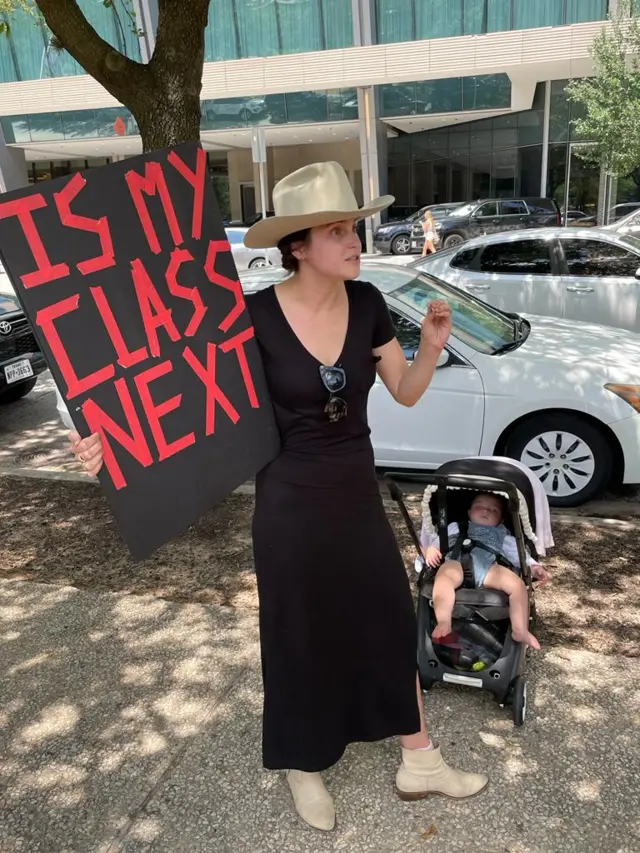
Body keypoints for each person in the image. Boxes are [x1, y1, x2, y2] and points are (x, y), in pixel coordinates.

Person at [67, 161, 489, 832]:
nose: (354, 239)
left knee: (384, 616)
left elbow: (404, 390)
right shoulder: (252, 316)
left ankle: (420, 757)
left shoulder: (370, 304)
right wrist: (112, 442)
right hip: (289, 501)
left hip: (355, 490)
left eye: (354, 225)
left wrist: (432, 349)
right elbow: (187, 401)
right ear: (296, 245)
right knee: (298, 631)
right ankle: (303, 760)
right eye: (336, 229)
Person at [421, 492, 550, 650]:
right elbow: (438, 543)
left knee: (518, 585)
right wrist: (432, 549)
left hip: (489, 568)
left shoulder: (504, 536)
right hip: (456, 562)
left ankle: (520, 630)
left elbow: (521, 556)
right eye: (479, 507)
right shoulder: (455, 526)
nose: (486, 511)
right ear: (469, 512)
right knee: (444, 577)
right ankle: (444, 621)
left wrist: (535, 567)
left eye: (494, 510)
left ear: (501, 520)